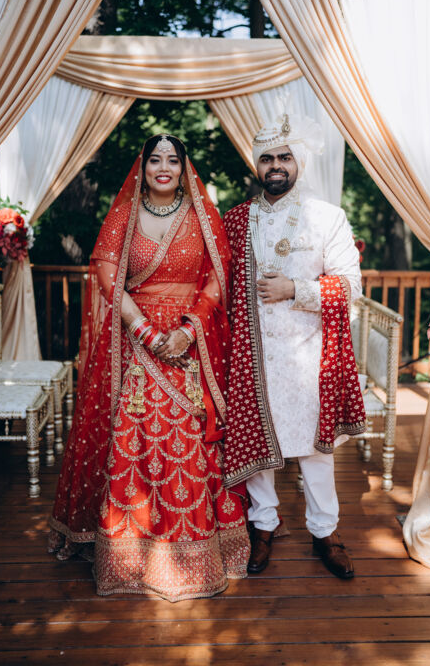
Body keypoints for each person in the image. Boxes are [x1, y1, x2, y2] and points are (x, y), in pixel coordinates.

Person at [48, 134, 250, 602]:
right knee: (131, 429)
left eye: (172, 160)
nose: (163, 167)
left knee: (190, 435)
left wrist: (189, 330)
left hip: (189, 338)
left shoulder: (203, 215)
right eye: (154, 159)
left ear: (184, 168)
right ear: (142, 168)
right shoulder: (124, 215)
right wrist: (146, 332)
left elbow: (219, 277)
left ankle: (194, 554)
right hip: (133, 338)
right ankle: (129, 556)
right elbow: (106, 274)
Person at [223, 114, 365, 579]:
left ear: (298, 160)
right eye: (267, 158)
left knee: (315, 453)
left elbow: (350, 286)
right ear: (257, 165)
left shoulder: (327, 217)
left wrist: (294, 290)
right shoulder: (236, 220)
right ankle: (263, 525)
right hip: (252, 355)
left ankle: (326, 532)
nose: (276, 165)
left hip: (309, 355)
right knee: (257, 444)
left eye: (284, 157)